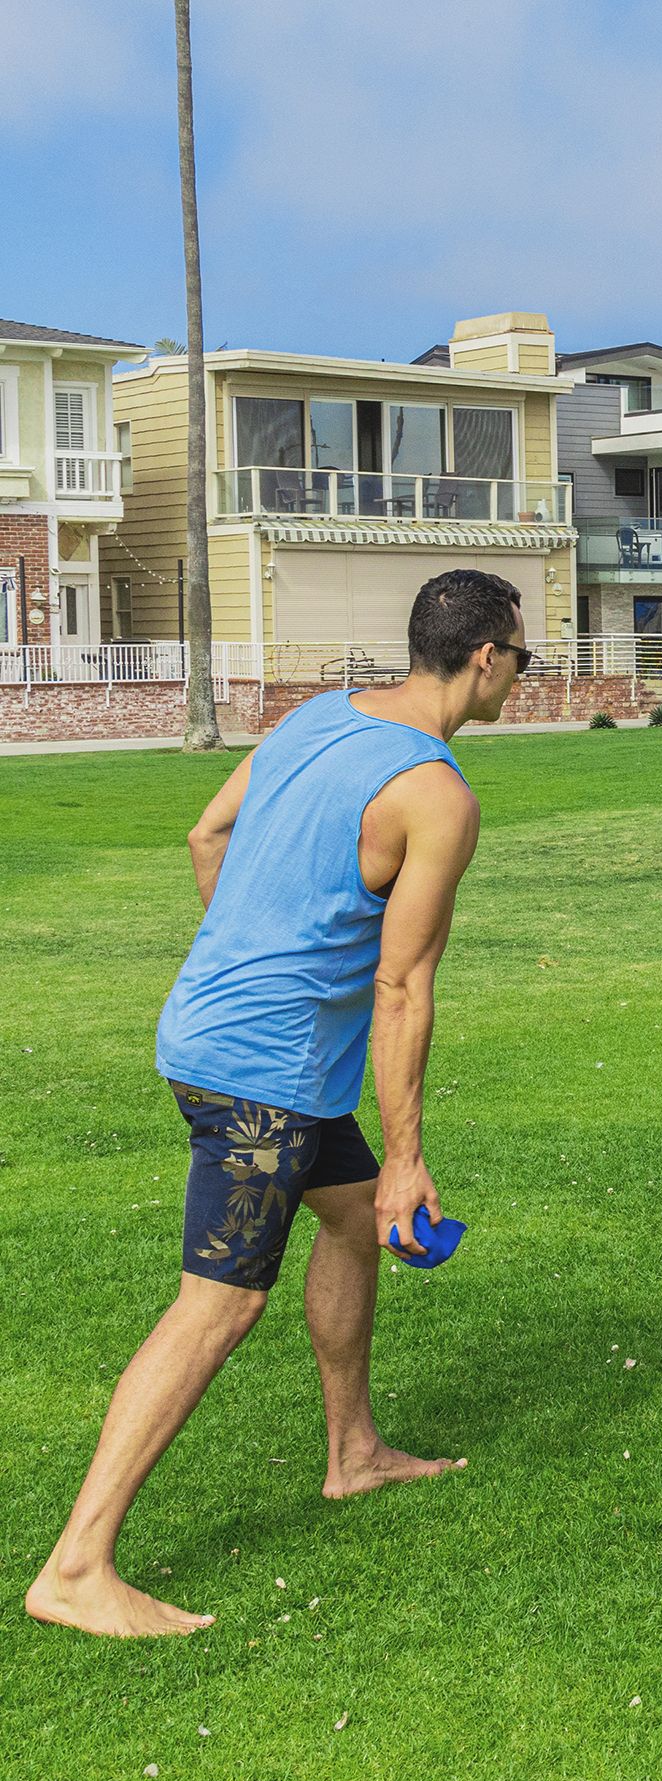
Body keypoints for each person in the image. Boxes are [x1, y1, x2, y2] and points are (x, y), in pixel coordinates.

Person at [26, 570, 527, 1638]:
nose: (518, 676)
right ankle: (76, 1565)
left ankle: (352, 1452)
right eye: (521, 658)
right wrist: (406, 1154)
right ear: (484, 656)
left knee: (347, 1222)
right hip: (265, 1076)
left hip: (212, 1034)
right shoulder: (437, 795)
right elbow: (401, 985)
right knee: (220, 1300)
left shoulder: (313, 717)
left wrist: (254, 951)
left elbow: (206, 836)